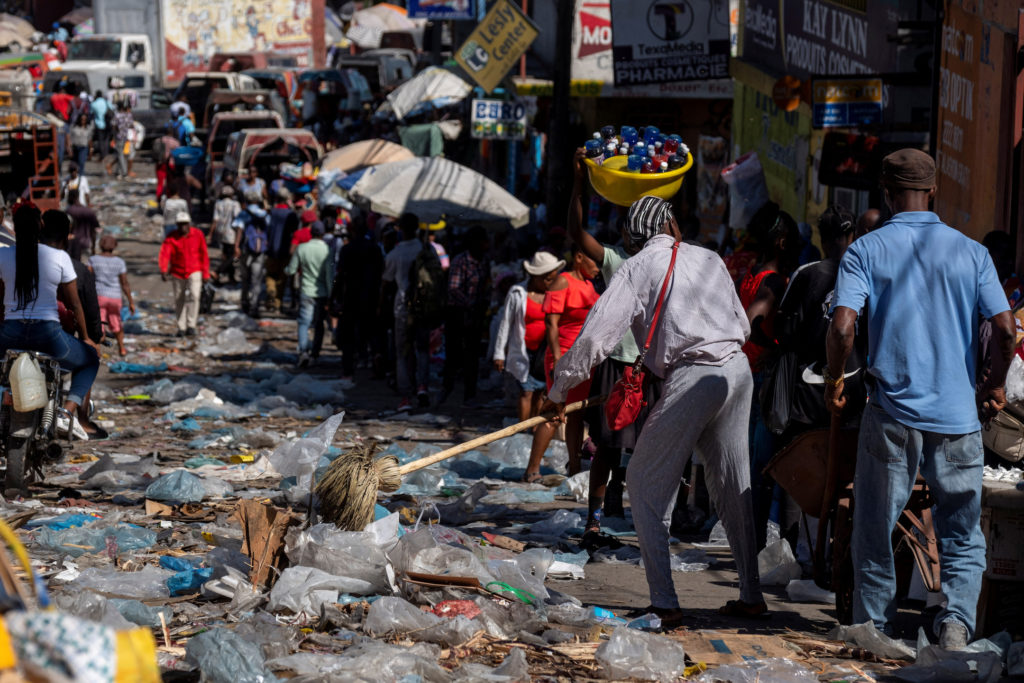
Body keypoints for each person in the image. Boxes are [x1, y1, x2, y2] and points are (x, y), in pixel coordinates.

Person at [826, 149, 1015, 649]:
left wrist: (834, 379)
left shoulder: (866, 250)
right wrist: (994, 384)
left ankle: (875, 628)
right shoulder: (972, 252)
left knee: (875, 525)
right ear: (933, 193)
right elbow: (1005, 328)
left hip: (891, 413)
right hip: (957, 417)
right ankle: (955, 626)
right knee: (961, 530)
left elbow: (843, 325)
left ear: (886, 195)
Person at [547, 195, 766, 626]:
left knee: (644, 482)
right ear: (670, 226)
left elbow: (595, 340)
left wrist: (557, 390)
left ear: (632, 237)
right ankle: (752, 595)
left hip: (694, 375)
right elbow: (741, 325)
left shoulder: (634, 267)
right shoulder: (708, 257)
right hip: (736, 371)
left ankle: (665, 602)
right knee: (734, 483)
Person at [0, 203, 100, 441]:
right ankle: (67, 412)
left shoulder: (3, 255)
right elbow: (75, 305)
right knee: (90, 360)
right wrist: (86, 337)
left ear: (14, 227)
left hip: (10, 333)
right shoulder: (59, 257)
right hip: (48, 335)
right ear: (40, 226)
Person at [522, 243, 600, 482]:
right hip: (563, 355)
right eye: (594, 261)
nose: (598, 268)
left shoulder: (589, 285)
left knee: (576, 413)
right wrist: (557, 358)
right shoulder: (563, 281)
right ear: (579, 257)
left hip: (583, 358)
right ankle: (532, 470)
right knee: (555, 412)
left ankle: (574, 468)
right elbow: (551, 324)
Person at [493, 251, 563, 422]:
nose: (550, 283)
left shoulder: (554, 293)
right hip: (524, 350)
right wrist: (499, 353)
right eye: (547, 279)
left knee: (540, 391)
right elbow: (506, 323)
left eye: (553, 278)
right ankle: (523, 429)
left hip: (545, 351)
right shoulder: (517, 292)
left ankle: (534, 429)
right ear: (535, 276)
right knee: (526, 391)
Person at [382, 213, 430, 412]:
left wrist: (380, 306)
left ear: (400, 229)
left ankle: (406, 397)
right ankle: (422, 387)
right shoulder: (426, 250)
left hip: (402, 308)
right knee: (422, 349)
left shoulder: (395, 254)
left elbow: (386, 282)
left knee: (403, 353)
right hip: (424, 308)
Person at [443, 226, 490, 407]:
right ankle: (448, 388)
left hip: (475, 313)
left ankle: (469, 393)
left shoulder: (483, 261)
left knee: (472, 355)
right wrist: (469, 303)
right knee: (454, 353)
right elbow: (453, 288)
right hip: (458, 313)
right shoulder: (460, 261)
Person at [333, 217, 384, 380]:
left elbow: (340, 275)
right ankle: (376, 359)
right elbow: (381, 274)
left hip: (351, 296)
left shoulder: (347, 250)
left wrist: (334, 295)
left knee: (348, 334)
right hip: (371, 296)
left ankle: (348, 369)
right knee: (371, 333)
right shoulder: (374, 249)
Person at [286, 221, 333, 366]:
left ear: (311, 233)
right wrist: (331, 295)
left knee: (304, 323)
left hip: (306, 290)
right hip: (322, 293)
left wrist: (285, 271)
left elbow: (292, 270)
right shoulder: (327, 250)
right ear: (323, 234)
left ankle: (303, 352)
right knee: (319, 324)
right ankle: (315, 353)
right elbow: (329, 276)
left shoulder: (302, 248)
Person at [159, 212, 209, 337]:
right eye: (180, 224)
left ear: (189, 224)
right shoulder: (172, 237)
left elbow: (204, 254)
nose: (183, 227)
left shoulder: (198, 235)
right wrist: (164, 269)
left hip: (195, 270)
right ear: (177, 225)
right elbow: (165, 253)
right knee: (179, 298)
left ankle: (191, 325)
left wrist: (206, 273)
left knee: (195, 296)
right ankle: (182, 327)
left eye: (185, 224)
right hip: (177, 271)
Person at [89, 235, 135, 357]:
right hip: (115, 297)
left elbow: (88, 278)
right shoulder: (119, 262)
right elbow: (124, 283)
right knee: (116, 322)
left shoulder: (93, 260)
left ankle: (97, 350)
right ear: (114, 246)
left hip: (99, 296)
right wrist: (131, 302)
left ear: (100, 245)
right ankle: (122, 347)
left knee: (99, 323)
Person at [265, 190, 298, 313]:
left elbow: (267, 229)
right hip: (286, 251)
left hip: (271, 250)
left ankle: (270, 290)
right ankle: (277, 303)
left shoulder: (271, 213)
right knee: (282, 279)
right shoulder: (291, 214)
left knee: (270, 274)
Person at [235, 203, 268, 317]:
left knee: (245, 279)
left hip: (246, 251)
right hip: (260, 252)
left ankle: (245, 303)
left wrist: (236, 246)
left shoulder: (243, 214)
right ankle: (254, 306)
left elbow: (239, 229)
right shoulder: (264, 214)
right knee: (257, 280)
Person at [211, 186, 241, 284]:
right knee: (232, 256)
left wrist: (210, 233)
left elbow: (215, 219)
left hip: (220, 232)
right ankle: (217, 271)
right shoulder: (235, 204)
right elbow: (238, 219)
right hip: (231, 233)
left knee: (226, 254)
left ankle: (231, 277)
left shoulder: (218, 204)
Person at [65, 189, 99, 262]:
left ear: (71, 197)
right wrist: (93, 247)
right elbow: (93, 231)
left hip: (72, 245)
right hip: (86, 244)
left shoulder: (69, 211)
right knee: (84, 269)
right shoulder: (89, 211)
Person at [111, 101, 134, 179]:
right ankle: (118, 172)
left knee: (120, 155)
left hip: (119, 136)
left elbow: (114, 125)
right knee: (121, 154)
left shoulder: (117, 115)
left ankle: (124, 173)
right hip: (126, 136)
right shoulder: (128, 115)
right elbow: (131, 125)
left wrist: (116, 133)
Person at [90, 90, 111, 162]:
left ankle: (102, 155)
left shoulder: (94, 104)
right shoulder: (106, 101)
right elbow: (113, 108)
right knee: (106, 140)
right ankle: (106, 154)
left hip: (99, 124)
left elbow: (91, 112)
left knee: (101, 141)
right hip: (107, 124)